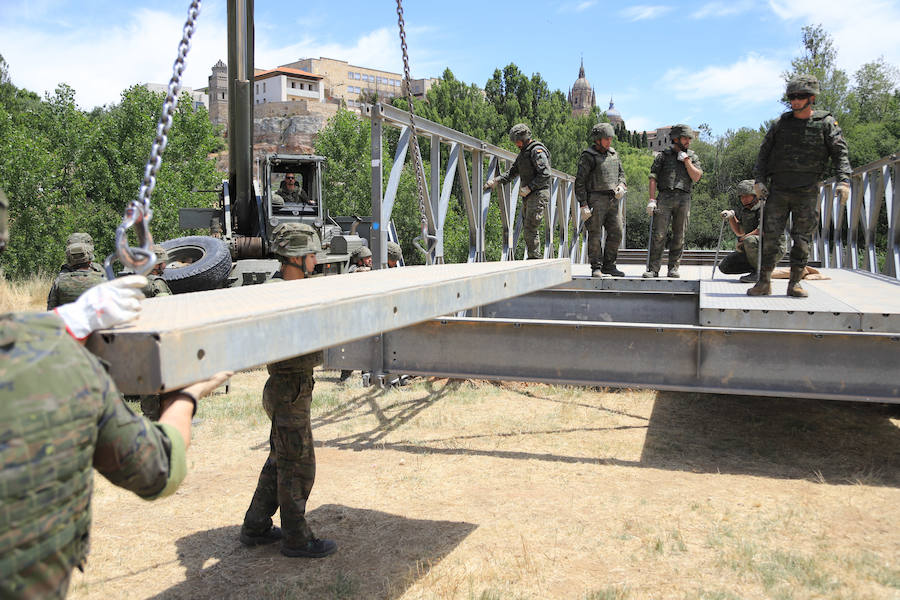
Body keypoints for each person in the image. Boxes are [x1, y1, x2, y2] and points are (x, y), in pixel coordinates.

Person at [0, 187, 231, 599]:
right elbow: (158, 468)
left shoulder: (55, 308)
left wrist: (62, 322)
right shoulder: (56, 368)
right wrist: (188, 395)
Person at [241, 223, 337, 558]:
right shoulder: (279, 293)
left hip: (289, 387)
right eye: (311, 253)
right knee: (298, 464)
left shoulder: (296, 288)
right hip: (288, 388)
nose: (315, 260)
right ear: (296, 256)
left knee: (279, 459)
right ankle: (297, 539)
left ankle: (255, 526)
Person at [748, 74, 851, 297]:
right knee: (770, 238)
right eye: (792, 96)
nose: (795, 100)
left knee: (802, 239)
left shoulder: (825, 123)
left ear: (811, 98)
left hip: (808, 190)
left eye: (801, 96)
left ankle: (795, 283)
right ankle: (764, 282)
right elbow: (763, 154)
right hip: (779, 189)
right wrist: (759, 180)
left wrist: (844, 180)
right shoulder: (780, 124)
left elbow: (840, 153)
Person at [484, 123, 551, 259]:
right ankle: (534, 257)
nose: (516, 144)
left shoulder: (536, 151)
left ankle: (534, 258)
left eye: (518, 141)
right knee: (529, 226)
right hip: (530, 194)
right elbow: (512, 172)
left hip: (538, 193)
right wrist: (496, 181)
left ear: (524, 138)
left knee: (530, 227)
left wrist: (530, 187)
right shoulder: (523, 154)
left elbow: (545, 173)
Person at [644, 124, 703, 278]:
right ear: (676, 139)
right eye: (685, 138)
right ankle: (653, 269)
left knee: (679, 235)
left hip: (684, 198)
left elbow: (696, 177)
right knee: (659, 234)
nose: (688, 141)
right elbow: (653, 177)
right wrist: (651, 199)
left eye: (689, 138)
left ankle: (673, 268)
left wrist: (687, 161)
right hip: (664, 197)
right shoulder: (663, 156)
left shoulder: (692, 156)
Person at [575, 122, 627, 277]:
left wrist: (621, 186)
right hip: (595, 199)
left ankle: (609, 265)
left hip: (613, 199)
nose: (609, 141)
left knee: (617, 232)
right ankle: (596, 267)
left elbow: (621, 174)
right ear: (598, 139)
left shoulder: (613, 154)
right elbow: (580, 181)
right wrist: (583, 203)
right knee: (595, 234)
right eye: (606, 139)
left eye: (611, 138)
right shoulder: (588, 156)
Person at [718, 180, 787, 283]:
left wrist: (742, 240)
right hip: (756, 247)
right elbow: (740, 231)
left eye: (746, 196)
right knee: (725, 265)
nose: (743, 199)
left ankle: (760, 274)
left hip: (774, 248)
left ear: (754, 195)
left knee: (749, 240)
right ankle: (758, 269)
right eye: (741, 196)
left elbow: (761, 231)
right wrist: (732, 217)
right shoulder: (747, 210)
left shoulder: (766, 207)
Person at [47, 241, 108, 309]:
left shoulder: (59, 281)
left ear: (69, 261)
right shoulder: (102, 281)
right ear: (90, 260)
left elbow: (51, 310)